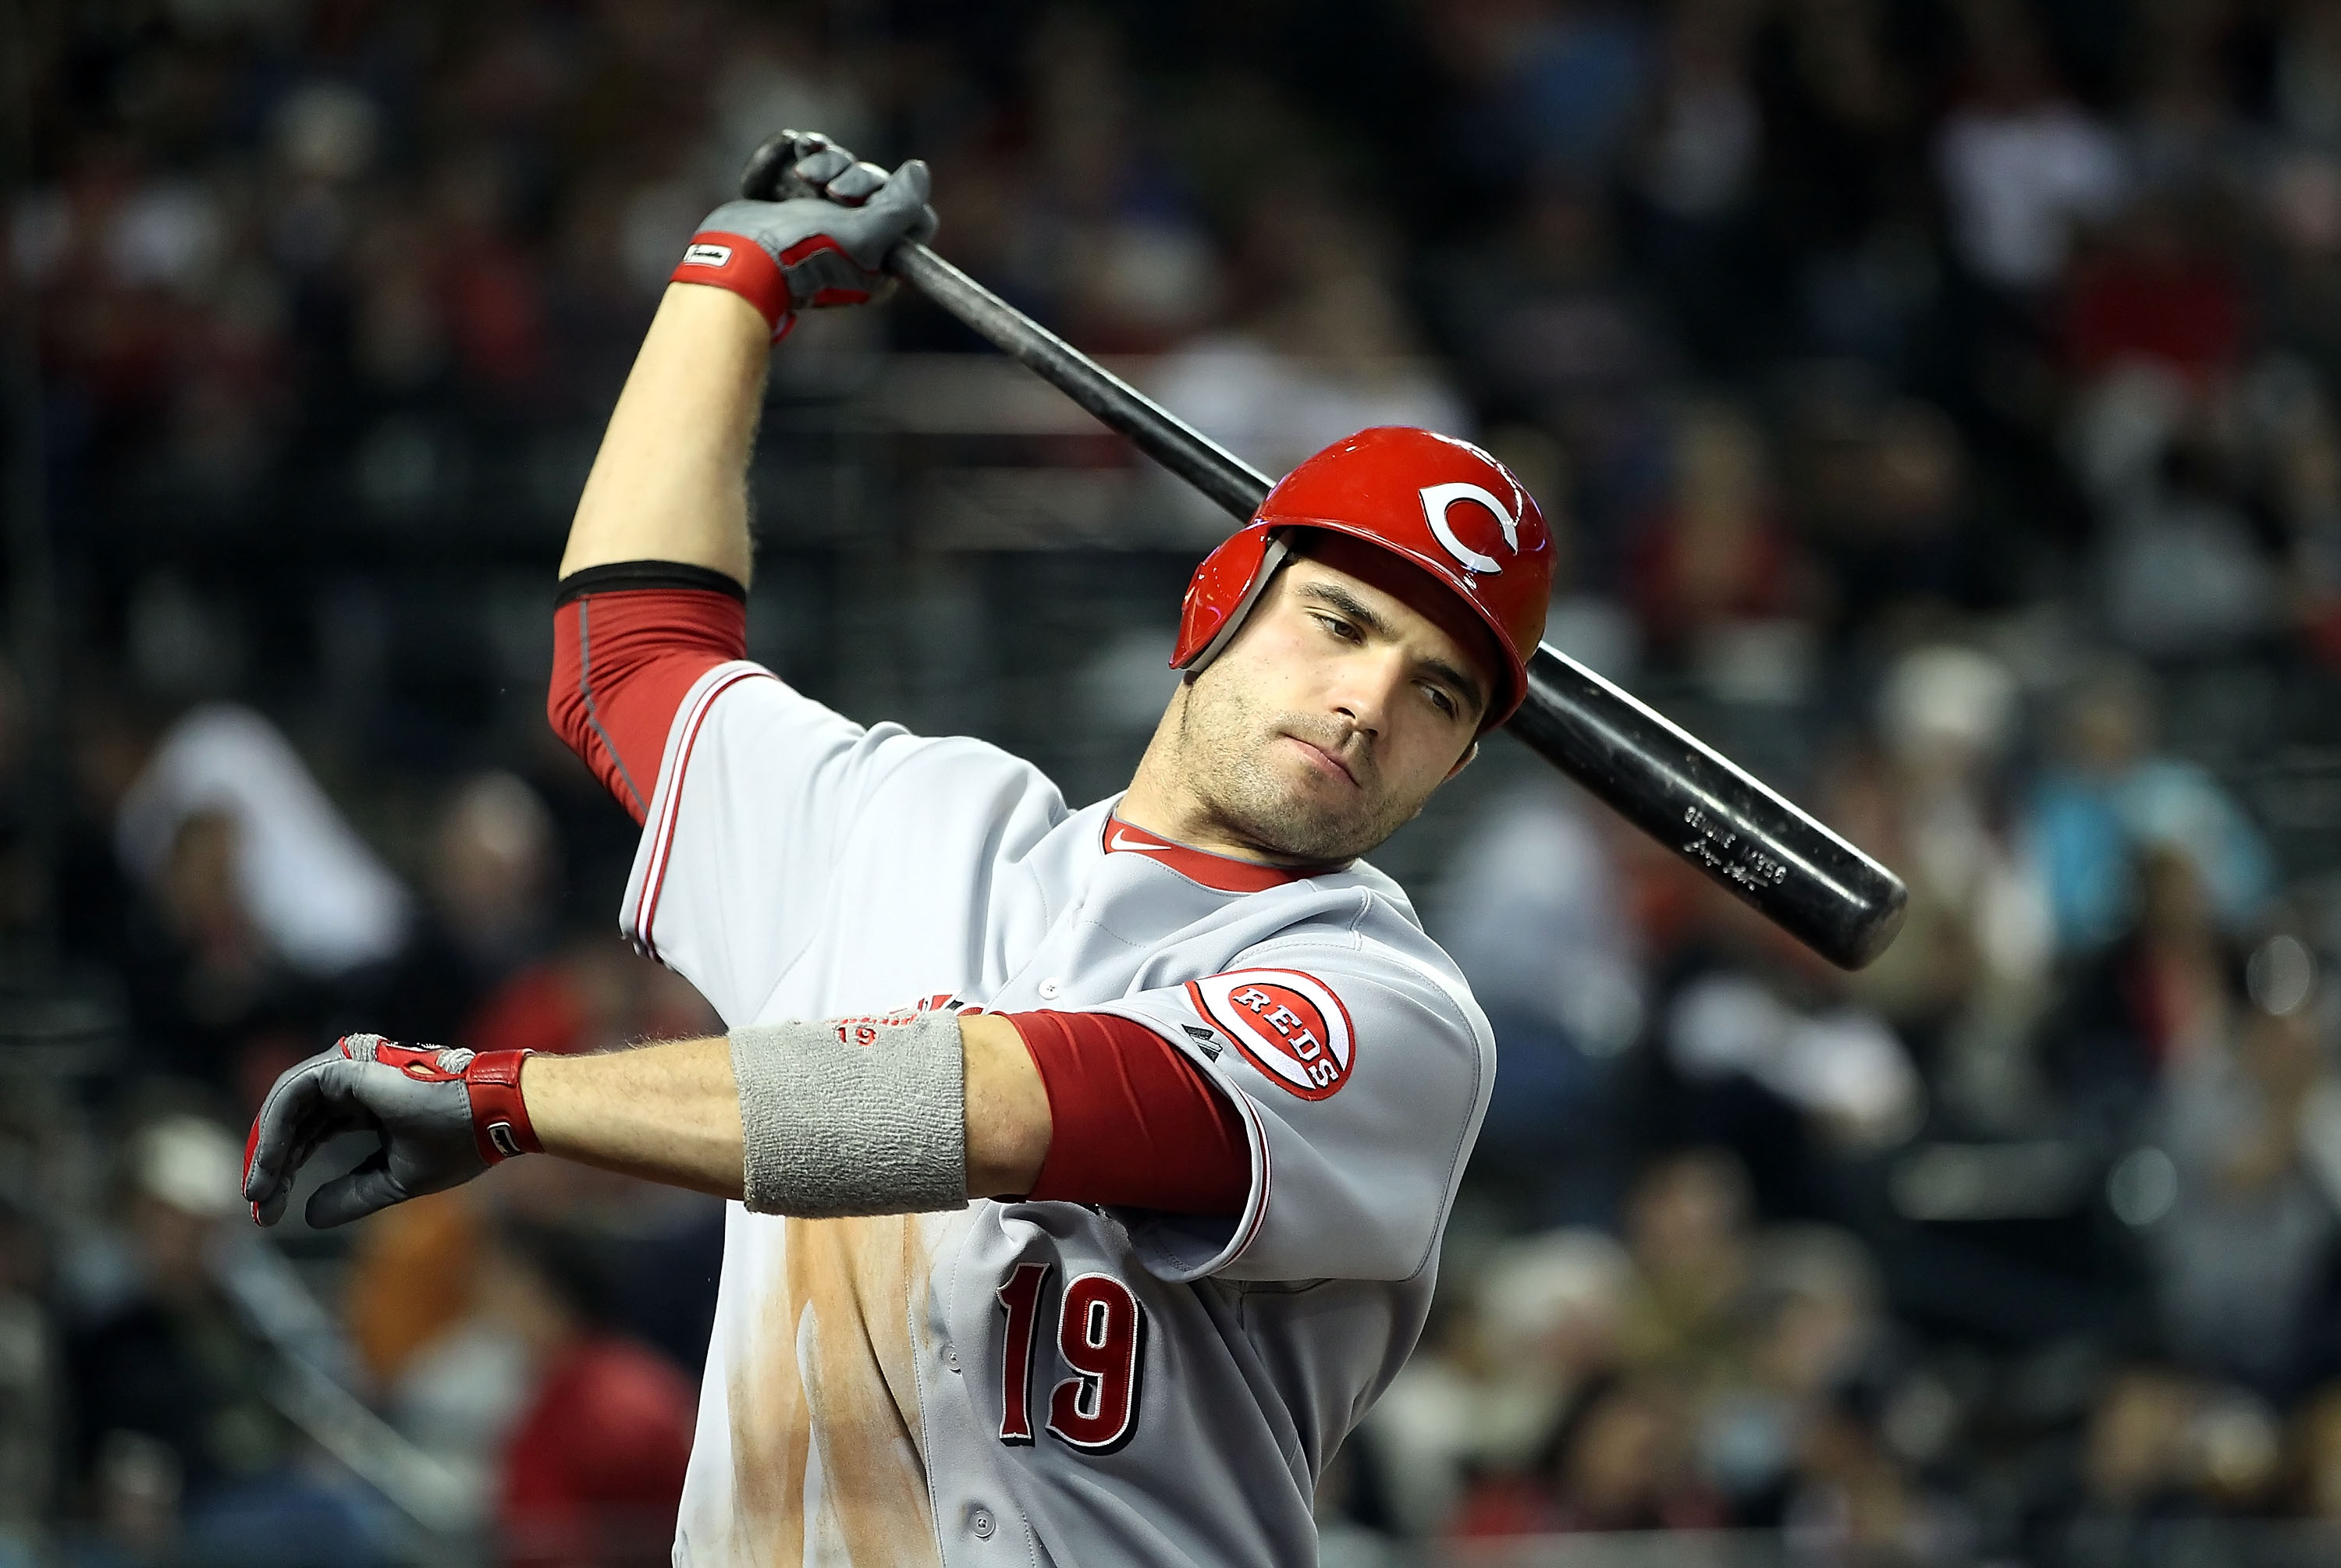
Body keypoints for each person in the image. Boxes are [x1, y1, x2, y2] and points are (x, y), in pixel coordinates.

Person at [243, 131, 1555, 1566]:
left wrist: (508, 1096)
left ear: (1456, 760)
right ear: (1217, 606)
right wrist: (722, 288)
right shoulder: (916, 822)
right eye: (1339, 623)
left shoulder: (1397, 1012)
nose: (1368, 703)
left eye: (1440, 692)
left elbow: (1001, 1103)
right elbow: (625, 662)